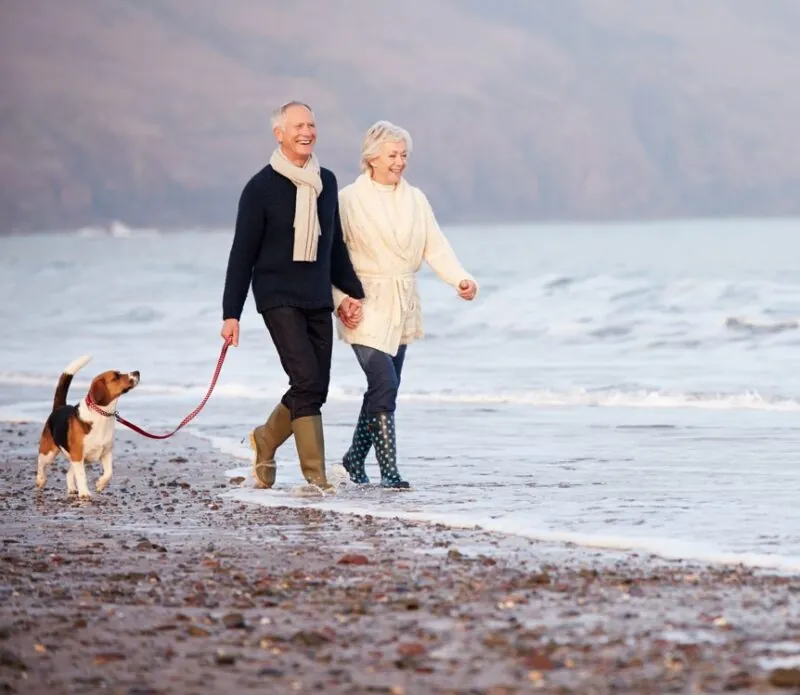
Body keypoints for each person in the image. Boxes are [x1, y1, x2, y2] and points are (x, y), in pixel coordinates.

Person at [220, 101, 365, 492]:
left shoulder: (327, 182)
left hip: (316, 295)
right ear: (279, 133)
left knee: (315, 386)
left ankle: (266, 438)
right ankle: (316, 478)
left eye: (312, 124)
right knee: (305, 377)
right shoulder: (260, 188)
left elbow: (333, 247)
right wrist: (231, 314)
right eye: (298, 125)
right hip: (277, 295)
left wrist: (354, 294)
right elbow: (242, 254)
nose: (307, 131)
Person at [333, 120, 478, 489]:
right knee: (384, 380)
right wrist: (339, 300)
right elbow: (334, 255)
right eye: (393, 155)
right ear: (372, 158)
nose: (400, 162)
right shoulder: (349, 199)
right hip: (362, 302)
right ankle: (389, 471)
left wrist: (460, 279)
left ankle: (352, 460)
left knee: (386, 387)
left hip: (402, 302)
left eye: (404, 155)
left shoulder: (415, 199)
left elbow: (435, 245)